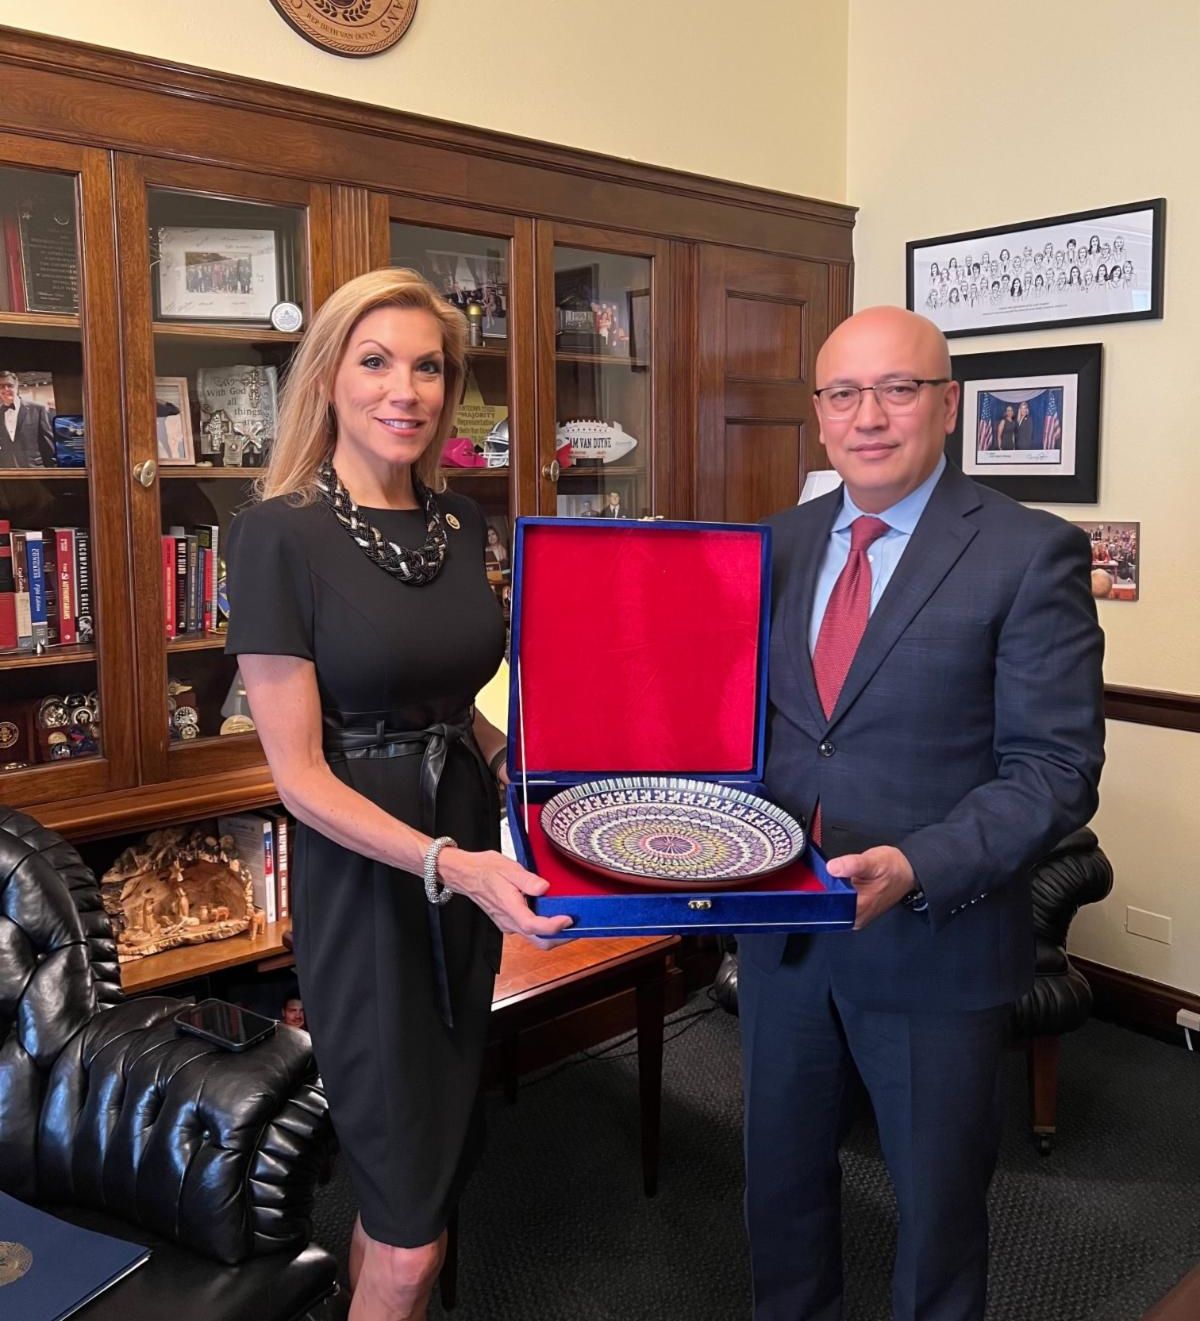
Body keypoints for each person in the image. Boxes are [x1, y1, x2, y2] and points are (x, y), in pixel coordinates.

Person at [740, 306, 1104, 1321]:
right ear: (819, 413)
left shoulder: (1029, 552)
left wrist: (916, 864)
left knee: (939, 1218)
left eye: (898, 389)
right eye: (844, 394)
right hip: (782, 939)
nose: (870, 417)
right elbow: (743, 727)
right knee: (779, 1193)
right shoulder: (772, 545)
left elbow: (1056, 769)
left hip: (934, 943)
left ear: (948, 406)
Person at [224, 267, 571, 1321]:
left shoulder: (461, 523)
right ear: (329, 377)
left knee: (420, 1177)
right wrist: (450, 865)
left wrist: (530, 772)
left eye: (428, 367)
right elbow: (299, 776)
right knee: (414, 1231)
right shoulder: (276, 533)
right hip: (370, 885)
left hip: (463, 857)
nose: (404, 389)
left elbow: (454, 705)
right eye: (375, 361)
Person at [0, 370, 55, 468]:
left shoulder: (38, 409)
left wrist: (52, 471)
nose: (6, 389)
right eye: (1, 386)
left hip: (34, 471)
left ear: (16, 386)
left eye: (9, 385)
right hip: (6, 473)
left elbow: (48, 447)